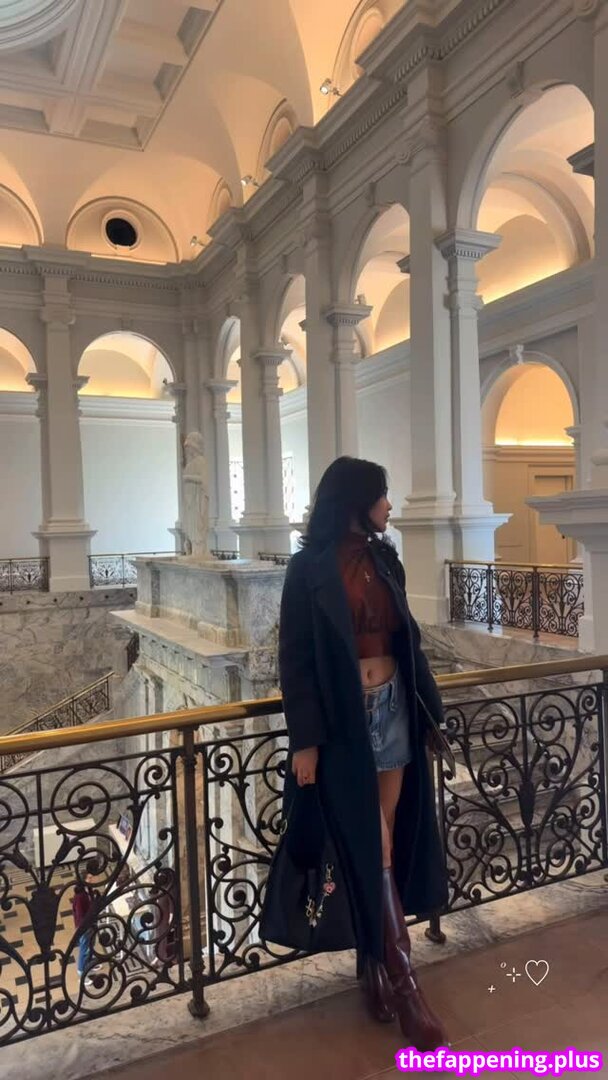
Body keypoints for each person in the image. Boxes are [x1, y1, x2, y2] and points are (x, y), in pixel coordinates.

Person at [261, 456, 449, 1050]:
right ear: (355, 502)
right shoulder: (308, 568)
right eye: (381, 495)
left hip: (394, 708)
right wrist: (306, 740)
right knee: (376, 846)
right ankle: (407, 985)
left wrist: (430, 712)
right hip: (344, 724)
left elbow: (408, 639)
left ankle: (373, 967)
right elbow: (295, 659)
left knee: (382, 845)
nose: (389, 505)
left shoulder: (385, 558)